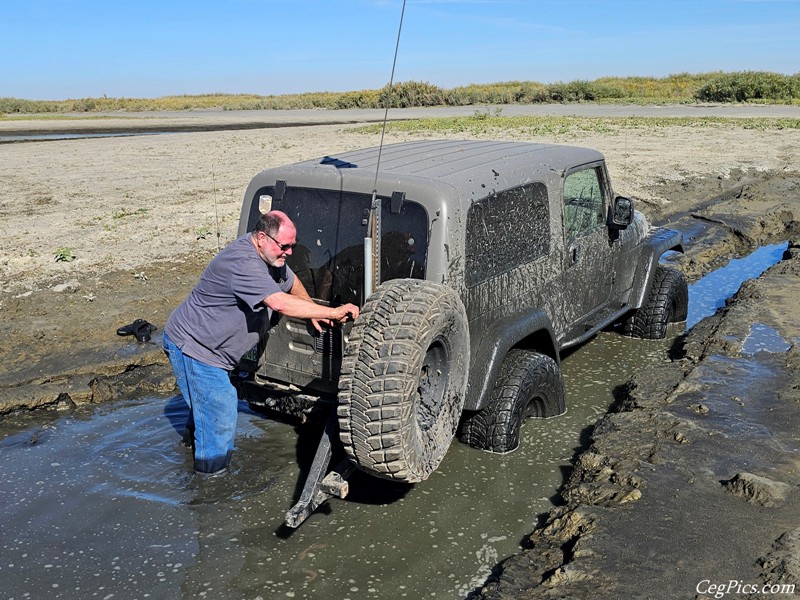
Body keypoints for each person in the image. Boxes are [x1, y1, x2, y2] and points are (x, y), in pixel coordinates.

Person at [162, 210, 360, 476]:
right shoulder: (243, 262)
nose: (289, 252)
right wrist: (332, 313)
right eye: (285, 246)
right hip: (196, 348)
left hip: (214, 350)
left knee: (208, 409)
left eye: (293, 245)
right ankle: (210, 485)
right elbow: (278, 301)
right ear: (261, 237)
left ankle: (191, 451)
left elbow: (291, 283)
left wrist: (311, 308)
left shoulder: (271, 257)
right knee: (220, 411)